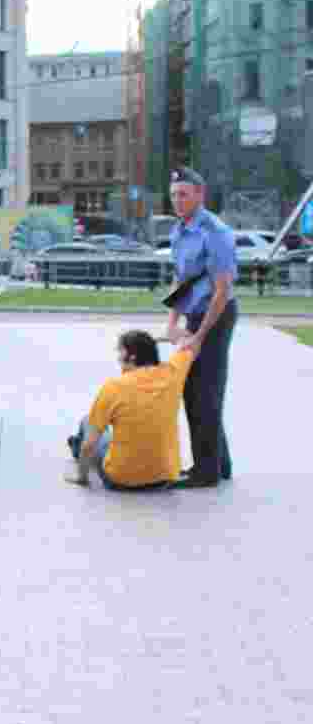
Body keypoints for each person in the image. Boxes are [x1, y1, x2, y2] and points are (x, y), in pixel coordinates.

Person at [164, 167, 238, 488]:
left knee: (202, 393)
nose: (177, 201)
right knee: (197, 391)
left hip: (216, 317)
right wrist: (172, 323)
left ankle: (205, 472)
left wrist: (199, 336)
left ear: (199, 195)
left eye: (183, 194)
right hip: (195, 315)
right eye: (173, 195)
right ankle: (220, 464)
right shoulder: (179, 231)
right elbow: (181, 279)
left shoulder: (215, 232)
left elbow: (222, 290)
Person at [65, 330, 198, 490]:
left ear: (132, 356)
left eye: (120, 350)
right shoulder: (172, 373)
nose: (118, 356)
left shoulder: (113, 387)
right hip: (163, 478)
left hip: (120, 480)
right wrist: (156, 340)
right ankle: (77, 445)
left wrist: (82, 479)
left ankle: (77, 449)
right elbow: (191, 342)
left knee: (88, 423)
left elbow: (90, 445)